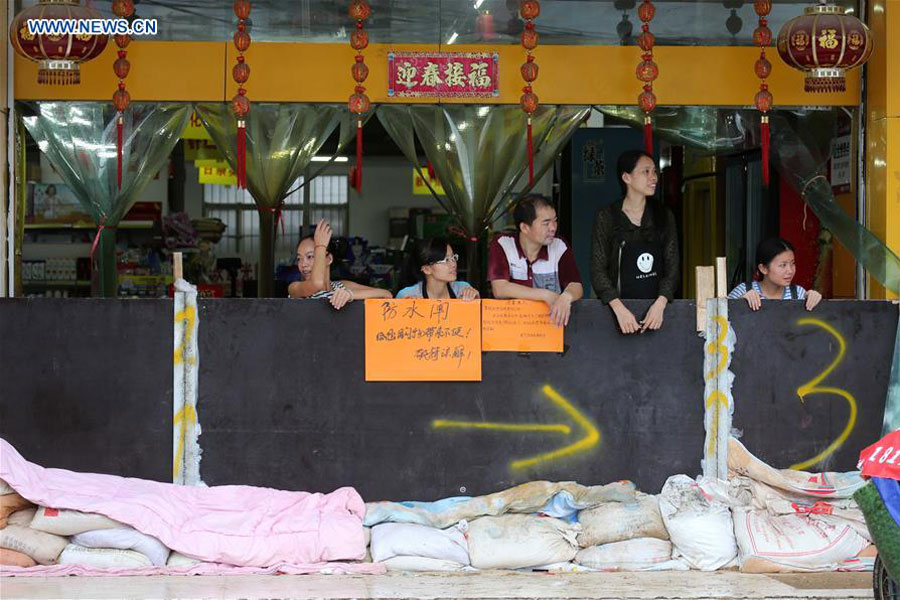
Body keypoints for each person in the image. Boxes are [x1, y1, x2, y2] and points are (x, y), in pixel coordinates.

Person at [590, 149, 679, 334]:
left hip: (657, 315)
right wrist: (618, 308)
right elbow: (597, 269)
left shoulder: (663, 215)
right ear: (626, 177)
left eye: (654, 171)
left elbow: (672, 266)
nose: (653, 177)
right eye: (646, 171)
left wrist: (660, 304)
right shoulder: (607, 216)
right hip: (616, 315)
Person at [487, 194, 584, 327]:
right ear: (525, 228)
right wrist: (545, 295)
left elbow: (576, 286)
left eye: (555, 220)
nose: (553, 228)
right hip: (510, 330)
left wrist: (566, 297)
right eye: (546, 223)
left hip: (550, 329)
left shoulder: (559, 245)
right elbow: (500, 289)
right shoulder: (503, 244)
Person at [288, 219, 391, 308]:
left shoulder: (341, 286)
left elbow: (386, 295)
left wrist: (350, 295)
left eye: (310, 256)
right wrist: (320, 246)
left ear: (329, 259)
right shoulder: (295, 288)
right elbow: (317, 284)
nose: (303, 264)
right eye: (299, 258)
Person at [728, 237, 823, 311]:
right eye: (783, 265)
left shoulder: (798, 293)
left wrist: (814, 299)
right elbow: (719, 317)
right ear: (763, 269)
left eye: (792, 263)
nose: (790, 271)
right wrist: (739, 303)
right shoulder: (744, 290)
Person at [396, 237, 480, 300]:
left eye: (453, 258)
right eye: (446, 260)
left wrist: (475, 300)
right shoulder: (407, 295)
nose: (453, 264)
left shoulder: (462, 289)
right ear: (426, 269)